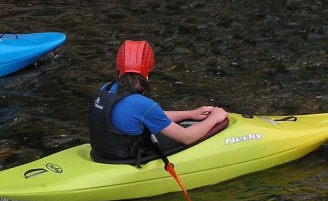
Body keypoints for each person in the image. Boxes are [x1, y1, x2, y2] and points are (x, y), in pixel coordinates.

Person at [89, 40, 229, 163]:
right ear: (148, 70)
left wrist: (189, 114)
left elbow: (146, 116)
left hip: (102, 154)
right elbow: (187, 137)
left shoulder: (106, 89)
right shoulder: (142, 104)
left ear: (119, 67)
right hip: (125, 158)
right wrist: (215, 117)